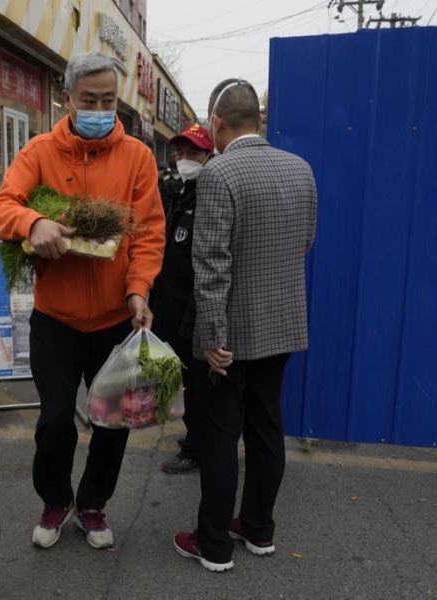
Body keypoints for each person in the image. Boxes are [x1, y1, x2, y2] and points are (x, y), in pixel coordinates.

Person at [0, 51, 165, 551]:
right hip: (56, 321)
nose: (99, 109)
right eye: (89, 100)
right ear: (66, 99)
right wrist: (33, 223)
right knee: (54, 420)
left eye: (108, 100)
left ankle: (92, 504)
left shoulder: (138, 157)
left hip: (114, 320)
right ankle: (55, 498)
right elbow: (1, 205)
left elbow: (149, 233)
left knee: (113, 421)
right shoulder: (39, 152)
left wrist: (138, 289)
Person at [172, 79, 317, 572]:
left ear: (216, 122)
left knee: (218, 438)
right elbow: (305, 242)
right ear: (258, 119)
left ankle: (213, 544)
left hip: (229, 337)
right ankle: (258, 529)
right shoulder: (301, 169)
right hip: (282, 327)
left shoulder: (220, 172)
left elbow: (210, 263)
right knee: (266, 428)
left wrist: (211, 338)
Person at [149, 123, 214, 475]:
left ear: (208, 156)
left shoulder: (210, 194)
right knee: (181, 376)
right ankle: (195, 436)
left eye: (193, 153)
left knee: (197, 384)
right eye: (180, 153)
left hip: (193, 307)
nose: (185, 159)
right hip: (167, 303)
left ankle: (196, 449)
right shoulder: (176, 190)